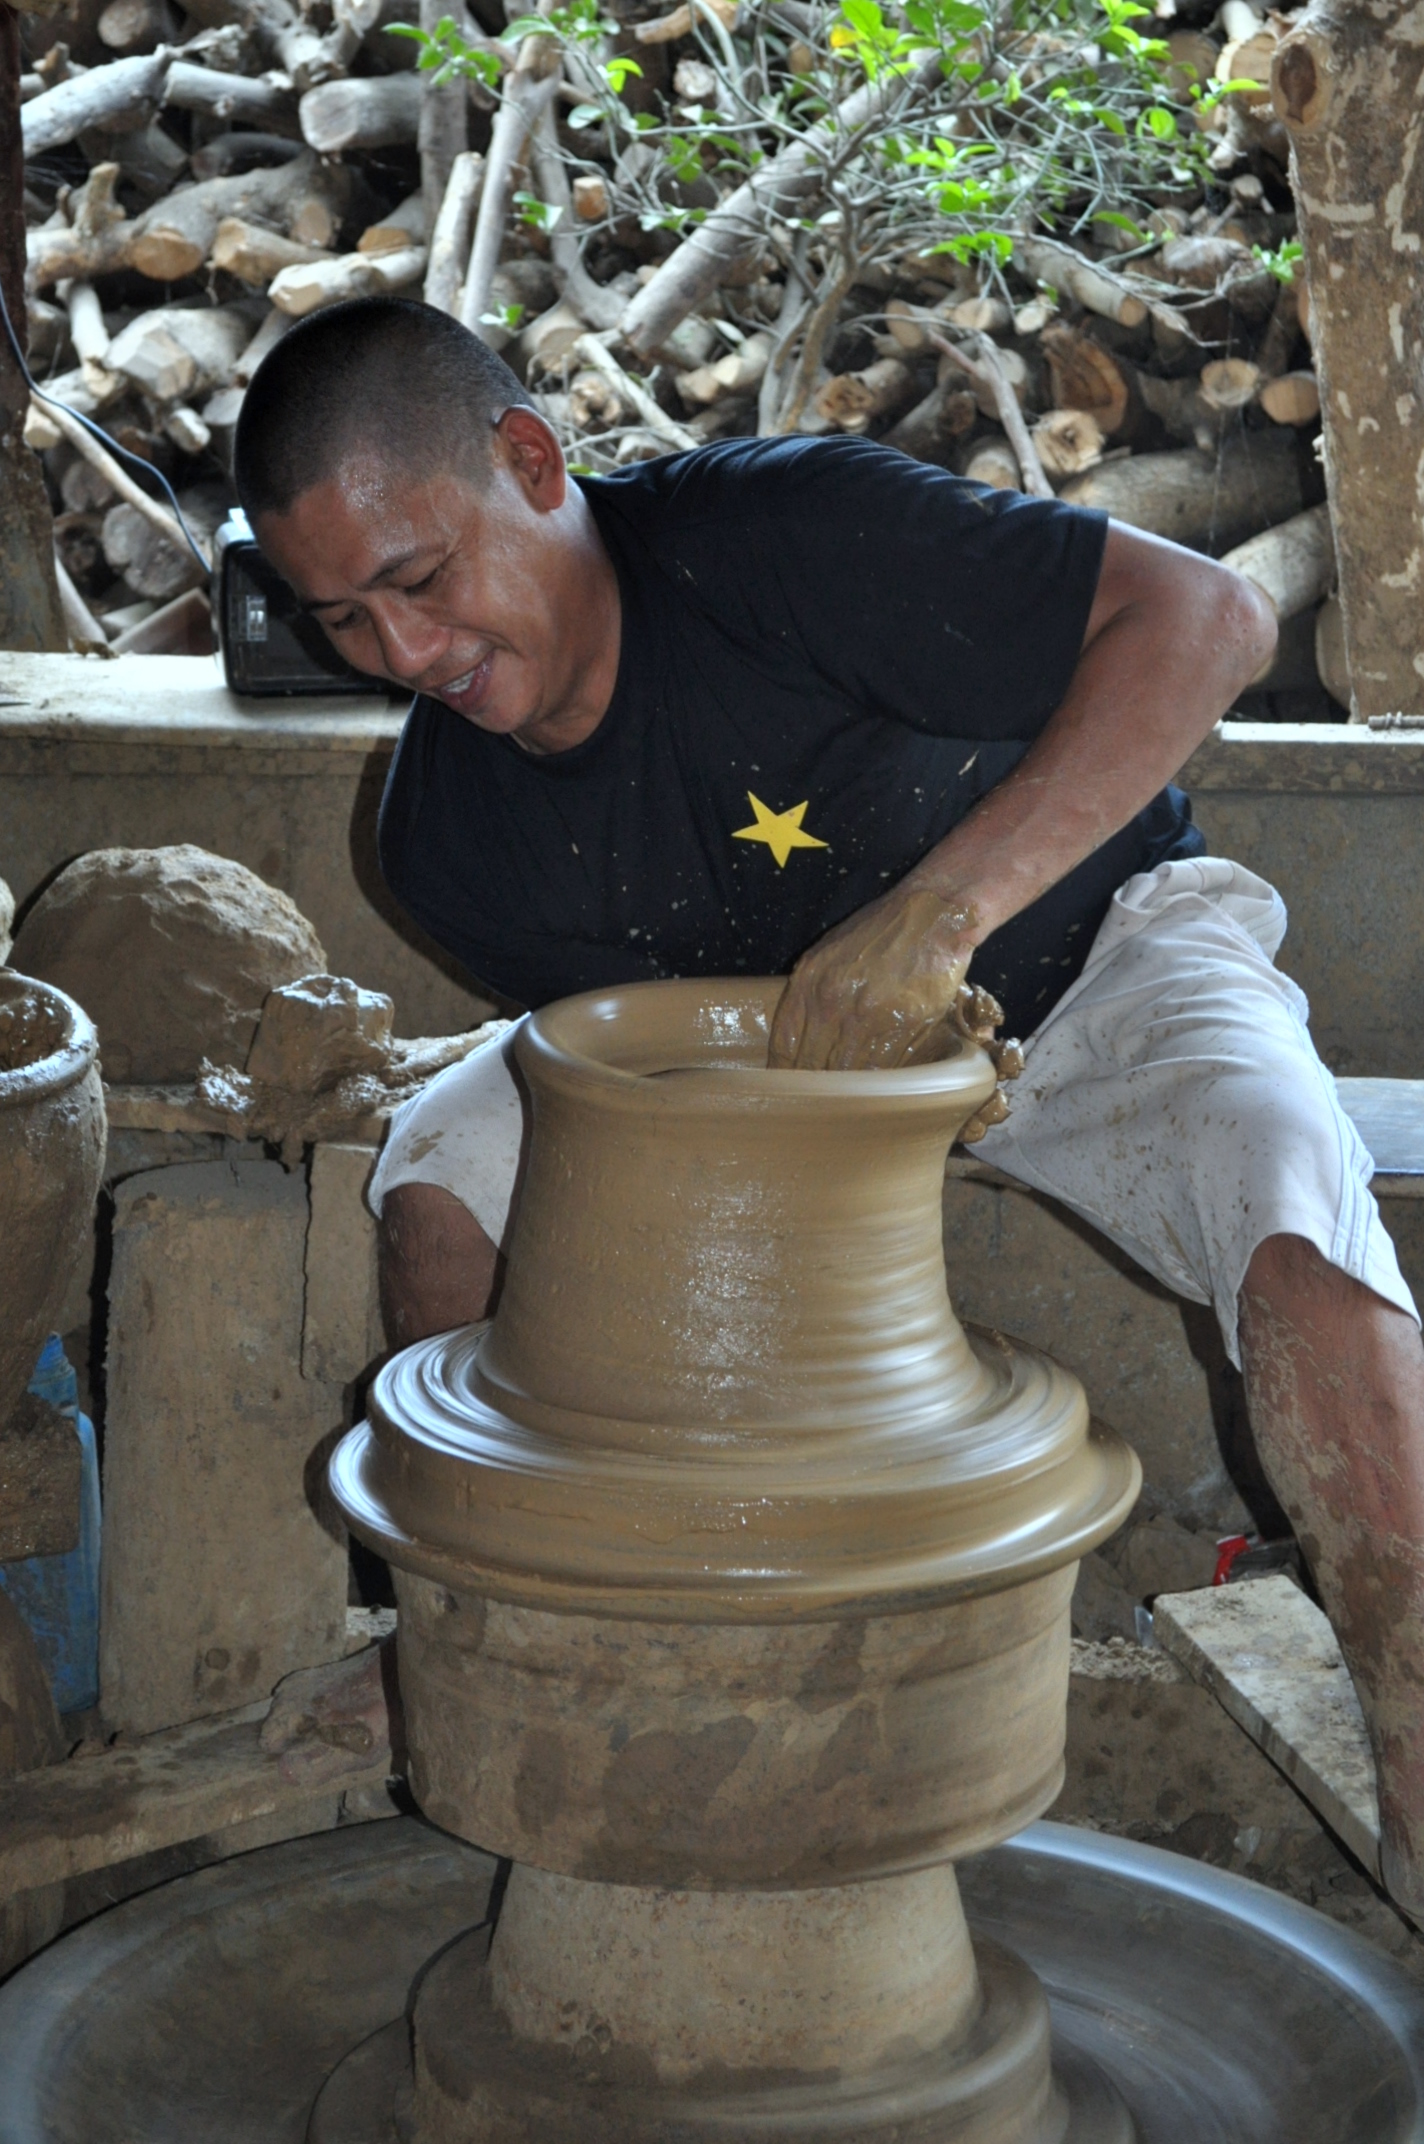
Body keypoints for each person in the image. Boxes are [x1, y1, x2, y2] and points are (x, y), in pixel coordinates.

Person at [236, 297, 1424, 1919]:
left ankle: (1415, 1705)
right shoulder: (448, 835)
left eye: (422, 582)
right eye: (343, 624)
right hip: (753, 1086)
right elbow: (619, 1077)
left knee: (1285, 1176)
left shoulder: (781, 540)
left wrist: (943, 915)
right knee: (443, 1171)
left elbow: (1210, 617)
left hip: (1084, 959)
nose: (410, 658)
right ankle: (488, 1645)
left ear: (531, 460)